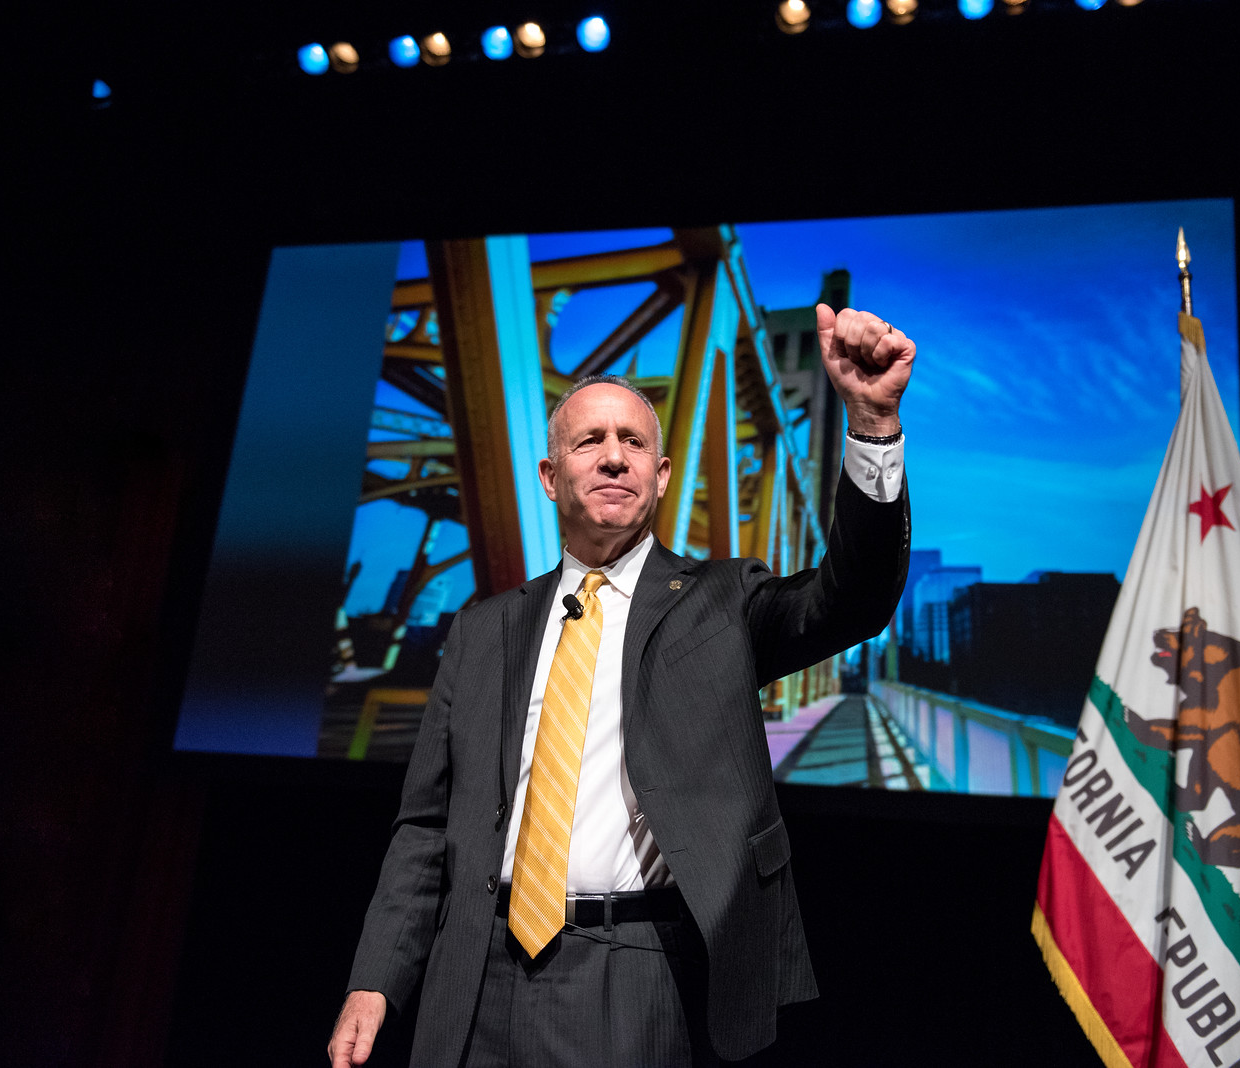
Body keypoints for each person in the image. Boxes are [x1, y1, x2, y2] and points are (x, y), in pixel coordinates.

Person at [329, 303, 915, 1067]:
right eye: (589, 442)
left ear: (663, 476)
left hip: (637, 971)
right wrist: (375, 980)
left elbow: (855, 600)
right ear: (548, 477)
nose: (613, 458)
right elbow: (426, 830)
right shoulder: (481, 632)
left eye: (633, 442)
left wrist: (871, 424)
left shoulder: (724, 602)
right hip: (470, 973)